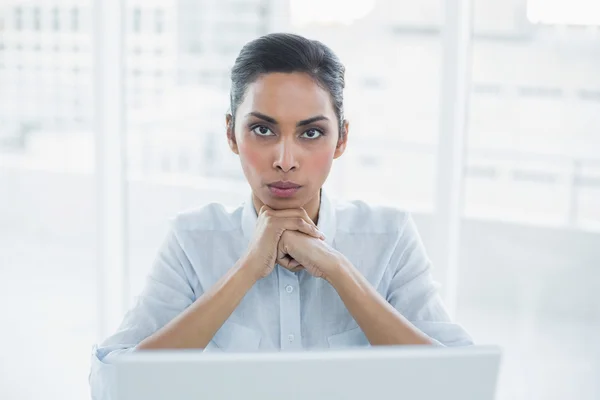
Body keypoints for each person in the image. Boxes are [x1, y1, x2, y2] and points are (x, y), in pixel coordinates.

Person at [89, 32, 472, 399]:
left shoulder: (389, 236)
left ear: (341, 139)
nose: (285, 161)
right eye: (262, 129)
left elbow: (461, 386)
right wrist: (247, 270)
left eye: (310, 134)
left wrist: (339, 271)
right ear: (230, 134)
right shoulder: (194, 238)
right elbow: (113, 387)